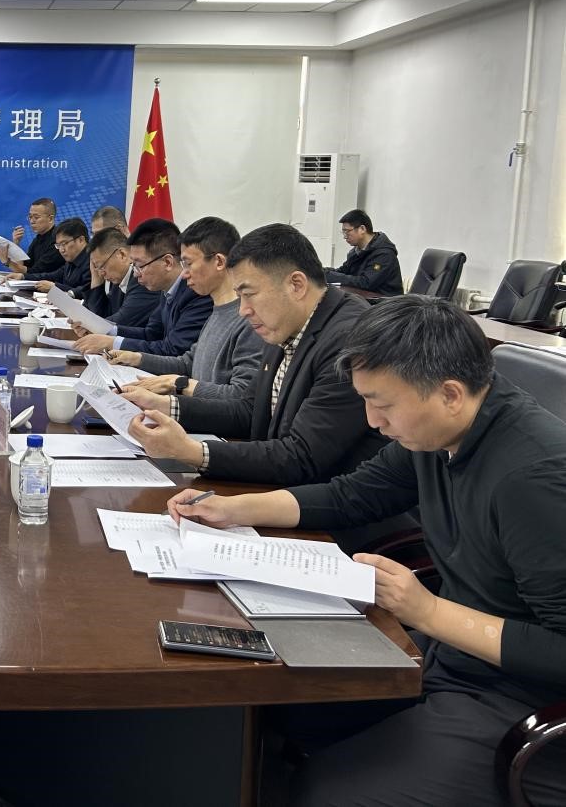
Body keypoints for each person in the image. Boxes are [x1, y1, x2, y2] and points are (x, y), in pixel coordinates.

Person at [167, 297, 566, 807]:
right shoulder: (441, 431)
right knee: (282, 706)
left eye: (383, 404)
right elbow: (352, 495)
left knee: (327, 791)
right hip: (454, 659)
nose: (373, 421)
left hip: (522, 698)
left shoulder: (533, 478)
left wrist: (427, 611)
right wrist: (232, 509)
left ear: (449, 393)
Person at [127, 222, 385, 485]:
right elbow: (249, 411)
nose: (243, 310)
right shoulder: (285, 322)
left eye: (249, 294)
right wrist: (165, 406)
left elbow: (302, 456)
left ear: (296, 285)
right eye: (239, 296)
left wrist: (191, 451)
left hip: (328, 499)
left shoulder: (348, 339)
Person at [114, 216, 264, 403]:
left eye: (188, 263)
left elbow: (242, 396)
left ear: (219, 262)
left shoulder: (248, 319)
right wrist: (136, 358)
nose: (184, 274)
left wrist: (177, 384)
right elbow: (188, 363)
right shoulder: (217, 311)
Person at [74, 218, 212, 357]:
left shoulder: (197, 294)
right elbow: (151, 334)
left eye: (140, 265)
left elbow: (173, 350)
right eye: (134, 265)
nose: (135, 273)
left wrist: (112, 343)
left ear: (167, 262)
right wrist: (106, 332)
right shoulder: (166, 290)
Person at [325, 208, 403, 295]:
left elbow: (366, 283)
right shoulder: (356, 251)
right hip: (364, 298)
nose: (345, 236)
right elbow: (343, 271)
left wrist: (331, 276)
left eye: (347, 231)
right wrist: (320, 272)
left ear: (362, 229)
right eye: (343, 232)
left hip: (384, 301)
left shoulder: (384, 254)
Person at [0, 197, 63, 279]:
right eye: (30, 217)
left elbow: (34, 272)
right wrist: (16, 244)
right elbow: (24, 267)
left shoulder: (58, 240)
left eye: (36, 217)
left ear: (50, 218)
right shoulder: (38, 239)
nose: (32, 221)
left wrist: (7, 261)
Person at [34, 218, 90, 296]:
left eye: (64, 244)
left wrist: (56, 288)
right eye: (58, 245)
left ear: (81, 240)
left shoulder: (93, 261)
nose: (61, 250)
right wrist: (23, 276)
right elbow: (52, 276)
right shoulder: (71, 260)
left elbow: (87, 290)